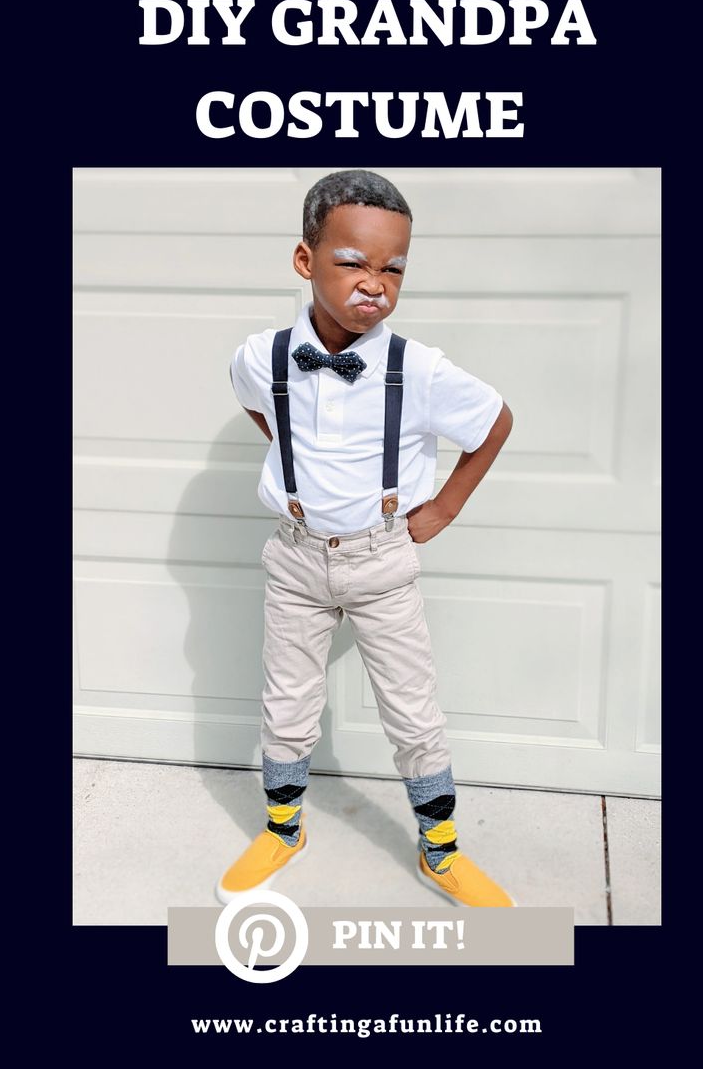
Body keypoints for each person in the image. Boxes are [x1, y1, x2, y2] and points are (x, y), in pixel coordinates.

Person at [217, 169, 516, 907]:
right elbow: (266, 415)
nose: (374, 283)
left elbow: (495, 421)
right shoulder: (261, 357)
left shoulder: (419, 370)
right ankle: (285, 829)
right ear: (305, 260)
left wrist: (440, 510)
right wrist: (296, 465)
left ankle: (438, 850)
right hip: (294, 559)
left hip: (383, 561)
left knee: (413, 711)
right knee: (287, 703)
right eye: (353, 261)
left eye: (393, 268)